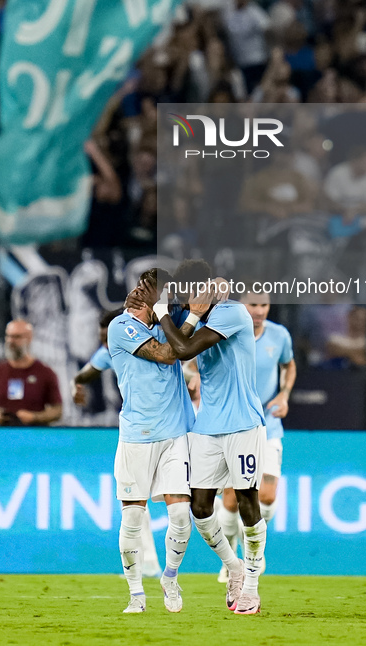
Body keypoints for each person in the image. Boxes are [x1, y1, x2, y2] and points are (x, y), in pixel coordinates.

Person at [136, 260, 267, 615]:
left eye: (198, 289)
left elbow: (184, 350)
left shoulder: (231, 312)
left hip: (243, 424)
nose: (191, 297)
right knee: (200, 508)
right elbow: (163, 333)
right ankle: (235, 567)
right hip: (206, 426)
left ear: (209, 288)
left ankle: (252, 586)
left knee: (247, 503)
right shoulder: (189, 315)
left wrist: (167, 314)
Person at [107, 268, 197, 615]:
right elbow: (167, 354)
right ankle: (135, 594)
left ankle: (170, 577)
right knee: (132, 519)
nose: (135, 292)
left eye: (146, 289)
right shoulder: (121, 326)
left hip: (174, 435)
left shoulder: (166, 323)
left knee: (180, 516)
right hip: (137, 436)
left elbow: (186, 343)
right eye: (137, 285)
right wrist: (177, 318)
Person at [72, 307, 162, 579]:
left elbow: (189, 370)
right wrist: (76, 384)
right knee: (135, 500)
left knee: (194, 501)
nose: (107, 345)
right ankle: (149, 564)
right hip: (139, 431)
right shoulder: (110, 351)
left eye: (109, 338)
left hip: (177, 428)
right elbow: (88, 371)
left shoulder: (153, 344)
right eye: (103, 340)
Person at [218, 290, 296, 581]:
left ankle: (254, 551)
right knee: (229, 499)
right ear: (242, 306)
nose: (260, 310)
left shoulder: (279, 335)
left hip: (267, 424)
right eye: (254, 305)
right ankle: (231, 559)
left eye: (264, 304)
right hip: (234, 423)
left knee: (266, 494)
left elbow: (289, 364)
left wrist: (285, 394)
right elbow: (195, 364)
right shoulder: (226, 332)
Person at [0, 319, 62, 426]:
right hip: (2, 437)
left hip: (33, 437)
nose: (11, 341)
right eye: (8, 336)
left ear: (29, 338)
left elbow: (57, 411)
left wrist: (34, 417)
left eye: (16, 337)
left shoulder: (45, 373)